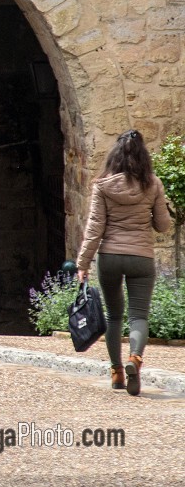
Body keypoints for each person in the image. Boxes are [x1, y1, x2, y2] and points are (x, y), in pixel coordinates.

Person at [75, 129, 172, 395]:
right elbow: (163, 226)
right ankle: (135, 359)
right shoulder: (153, 184)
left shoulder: (103, 185)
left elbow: (95, 228)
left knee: (114, 315)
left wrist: (82, 264)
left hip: (110, 258)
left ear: (114, 156)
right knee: (139, 315)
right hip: (141, 257)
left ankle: (117, 372)